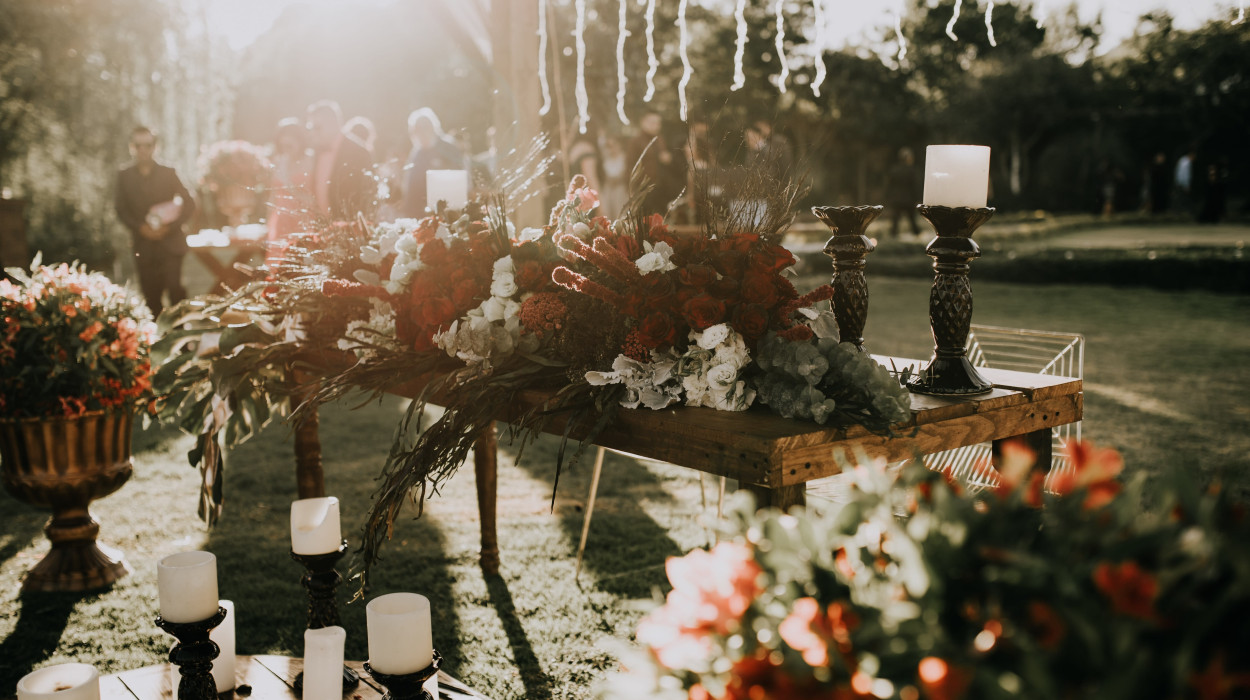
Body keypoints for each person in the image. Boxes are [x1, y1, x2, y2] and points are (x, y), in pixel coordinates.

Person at [114, 125, 196, 317]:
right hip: (143, 246)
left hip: (171, 243)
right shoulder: (123, 176)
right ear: (131, 147)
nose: (143, 150)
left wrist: (170, 227)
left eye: (148, 145)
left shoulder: (169, 172)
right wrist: (140, 228)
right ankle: (158, 340)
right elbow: (120, 209)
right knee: (151, 296)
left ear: (155, 147)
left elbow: (189, 203)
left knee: (176, 291)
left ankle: (182, 339)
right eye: (138, 145)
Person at [306, 100, 374, 221]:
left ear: (333, 124)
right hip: (322, 229)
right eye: (311, 128)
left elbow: (366, 197)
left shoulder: (359, 152)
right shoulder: (317, 150)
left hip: (349, 230)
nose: (313, 133)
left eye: (317, 127)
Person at [266, 117, 314, 264]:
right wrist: (268, 223)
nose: (286, 149)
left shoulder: (311, 160)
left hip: (304, 220)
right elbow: (273, 194)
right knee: (278, 265)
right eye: (283, 146)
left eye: (290, 145)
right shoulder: (279, 161)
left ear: (299, 141)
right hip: (281, 223)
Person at [400, 108, 464, 218]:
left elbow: (460, 179)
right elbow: (410, 188)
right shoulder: (416, 153)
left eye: (423, 129)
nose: (420, 134)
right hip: (420, 215)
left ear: (432, 128)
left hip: (448, 214)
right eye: (416, 131)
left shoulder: (449, 149)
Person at [627, 111, 677, 217]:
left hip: (661, 189)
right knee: (644, 221)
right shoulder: (636, 141)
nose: (656, 126)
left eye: (658, 123)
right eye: (652, 123)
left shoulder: (660, 140)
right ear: (643, 122)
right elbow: (630, 166)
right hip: (643, 190)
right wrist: (632, 190)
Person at [885, 147, 921, 239]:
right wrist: (917, 199)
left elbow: (889, 186)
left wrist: (888, 198)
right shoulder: (911, 171)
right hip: (909, 199)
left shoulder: (894, 170)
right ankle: (917, 237)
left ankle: (893, 238)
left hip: (897, 199)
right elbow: (915, 186)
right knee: (912, 221)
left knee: (895, 222)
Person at [599, 135, 629, 218]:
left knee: (620, 212)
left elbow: (627, 173)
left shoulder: (624, 158)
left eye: (614, 145)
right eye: (609, 146)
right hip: (608, 189)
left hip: (621, 189)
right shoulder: (606, 159)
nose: (612, 148)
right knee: (607, 212)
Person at [1174, 148, 1196, 217]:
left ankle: (1178, 212)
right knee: (1185, 198)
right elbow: (1186, 174)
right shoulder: (1187, 163)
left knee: (1180, 198)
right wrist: (1186, 185)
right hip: (1183, 183)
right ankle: (1188, 212)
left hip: (1179, 182)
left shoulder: (1182, 160)